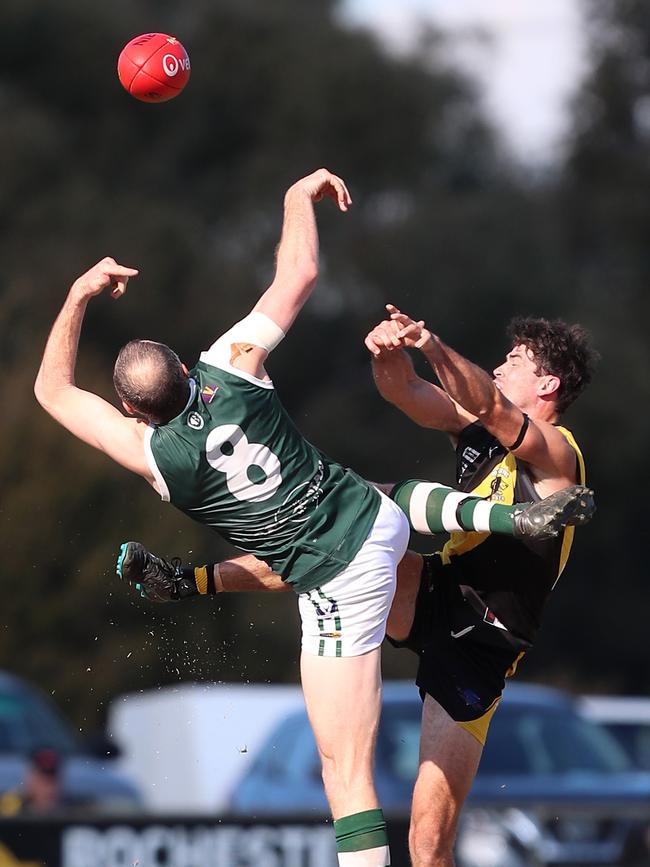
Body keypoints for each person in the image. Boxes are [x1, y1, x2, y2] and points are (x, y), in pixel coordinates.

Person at [37, 168, 585, 867]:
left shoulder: (151, 454)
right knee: (425, 839)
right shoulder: (231, 361)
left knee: (344, 774)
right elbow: (300, 271)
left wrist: (78, 292)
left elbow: (51, 389)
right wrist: (298, 196)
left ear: (133, 411)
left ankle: (513, 520)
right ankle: (509, 520)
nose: (505, 364)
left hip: (400, 599)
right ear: (184, 363)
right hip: (386, 538)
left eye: (517, 360)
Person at [120, 304, 596, 867]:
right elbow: (405, 393)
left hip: (485, 644)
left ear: (548, 383)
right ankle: (189, 581)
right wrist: (387, 354)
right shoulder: (477, 435)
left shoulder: (557, 455)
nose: (499, 366)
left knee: (427, 843)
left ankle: (191, 581)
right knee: (340, 529)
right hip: (436, 588)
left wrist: (433, 344)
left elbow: (489, 403)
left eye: (514, 360)